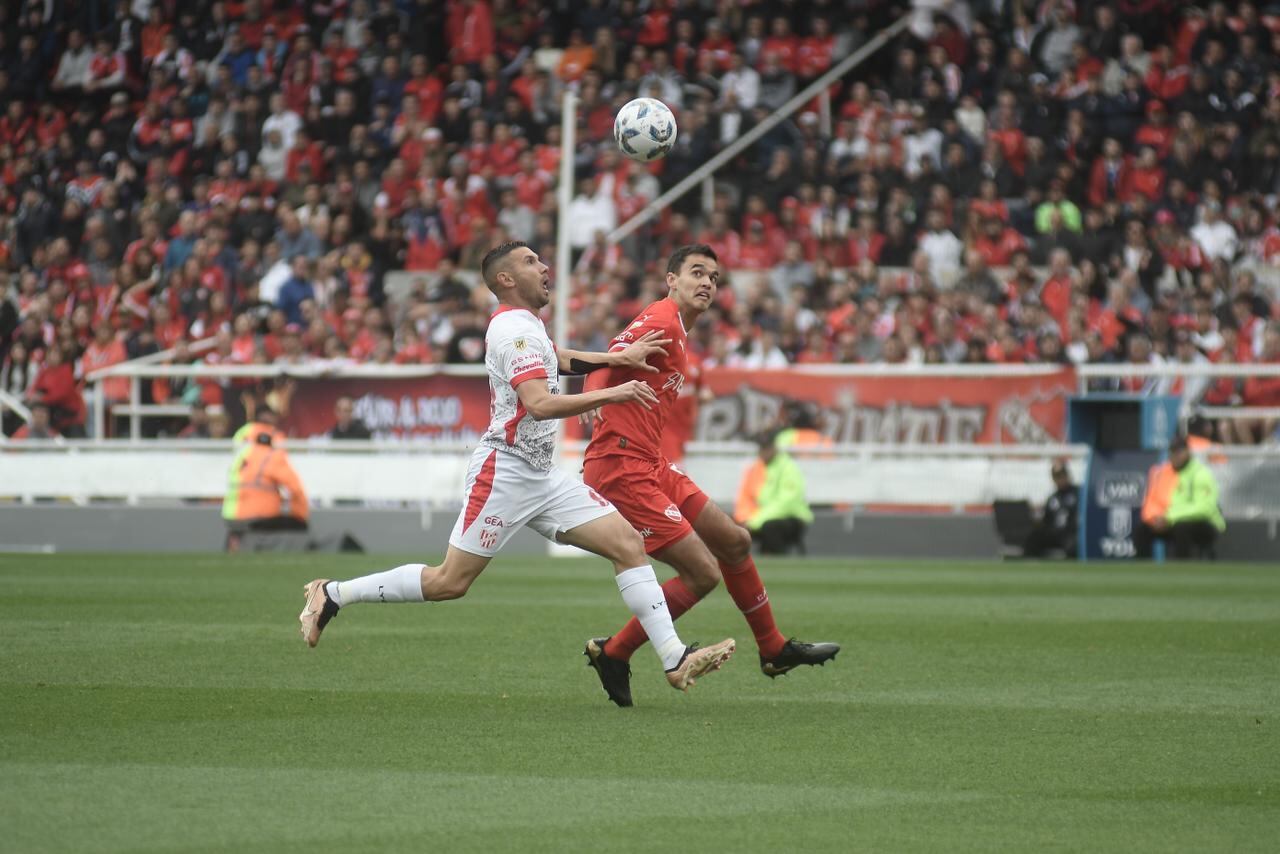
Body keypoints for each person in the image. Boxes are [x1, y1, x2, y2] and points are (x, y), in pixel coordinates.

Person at [299, 242, 735, 694]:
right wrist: (612, 393)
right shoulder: (512, 331)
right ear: (505, 280)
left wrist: (615, 361)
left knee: (627, 543)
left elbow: (557, 358)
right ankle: (332, 594)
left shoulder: (527, 326)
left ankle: (673, 658)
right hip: (504, 473)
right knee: (450, 582)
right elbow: (540, 404)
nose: (544, 266)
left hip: (542, 476)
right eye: (530, 262)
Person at [581, 245, 838, 707]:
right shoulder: (660, 320)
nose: (707, 283)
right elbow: (605, 362)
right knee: (701, 572)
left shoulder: (680, 333)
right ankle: (616, 652)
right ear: (671, 280)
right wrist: (595, 403)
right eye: (696, 273)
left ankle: (773, 647)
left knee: (735, 541)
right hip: (622, 466)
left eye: (714, 277)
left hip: (652, 462)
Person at [222, 408, 309, 551]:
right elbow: (295, 488)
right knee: (293, 523)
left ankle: (235, 545)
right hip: (258, 517)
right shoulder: (273, 455)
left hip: (229, 515)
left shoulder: (243, 453)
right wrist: (300, 517)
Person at [1136, 436, 1226, 559]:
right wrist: (1155, 518)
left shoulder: (1201, 473)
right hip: (1171, 521)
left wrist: (1169, 517)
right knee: (1142, 530)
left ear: (1188, 452)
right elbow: (1151, 501)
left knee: (1182, 528)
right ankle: (1143, 573)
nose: (1175, 456)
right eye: (1172, 452)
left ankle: (1181, 570)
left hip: (1206, 523)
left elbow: (1205, 508)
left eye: (1179, 452)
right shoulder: (1163, 473)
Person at [744, 430, 813, 555]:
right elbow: (752, 499)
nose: (762, 452)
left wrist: (754, 522)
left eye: (765, 448)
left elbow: (786, 503)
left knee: (771, 527)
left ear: (774, 447)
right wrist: (745, 520)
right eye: (761, 448)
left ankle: (776, 562)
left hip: (792, 518)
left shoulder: (788, 467)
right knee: (735, 531)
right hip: (765, 518)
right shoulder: (762, 469)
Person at [1022, 460, 1079, 558]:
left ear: (1067, 475)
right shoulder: (1053, 498)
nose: (1059, 479)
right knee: (1033, 538)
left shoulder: (1077, 494)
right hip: (1054, 533)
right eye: (1056, 477)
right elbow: (1046, 519)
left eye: (1061, 476)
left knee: (1073, 546)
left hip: (1069, 533)